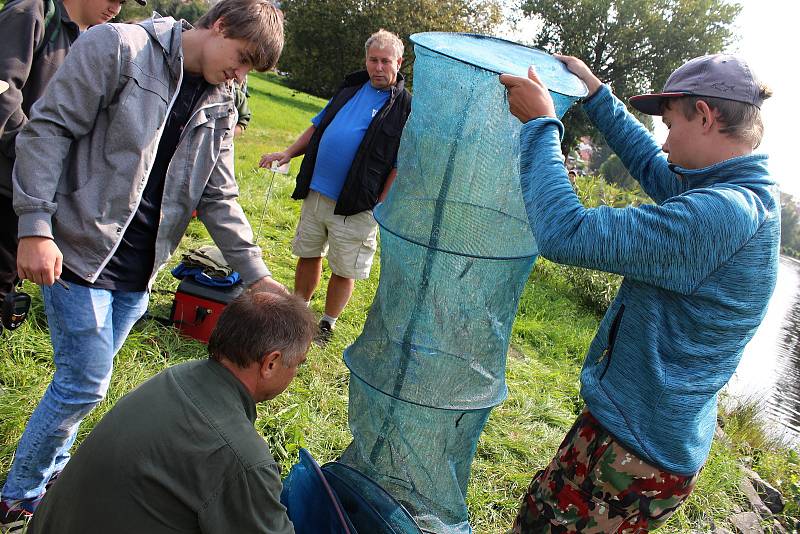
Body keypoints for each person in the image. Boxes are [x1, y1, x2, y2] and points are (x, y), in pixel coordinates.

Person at [1, 0, 285, 529]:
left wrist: (258, 276)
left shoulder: (221, 101)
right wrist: (35, 227)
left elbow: (218, 195)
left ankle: (51, 467)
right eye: (241, 58)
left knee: (79, 384)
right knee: (86, 382)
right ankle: (20, 494)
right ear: (219, 25)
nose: (240, 75)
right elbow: (47, 131)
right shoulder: (120, 47)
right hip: (78, 251)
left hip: (139, 271)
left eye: (249, 69)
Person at [500, 53, 778, 532]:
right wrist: (596, 95)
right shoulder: (738, 194)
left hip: (632, 452)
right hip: (637, 434)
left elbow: (565, 232)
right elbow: (655, 168)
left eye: (670, 124)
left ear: (706, 116)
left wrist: (543, 126)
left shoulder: (722, 214)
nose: (664, 140)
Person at [27, 288, 317, 533]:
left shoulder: (178, 376)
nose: (296, 372)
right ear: (271, 363)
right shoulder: (242, 459)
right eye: (298, 363)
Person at [259, 28, 412, 344]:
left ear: (399, 62)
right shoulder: (351, 89)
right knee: (308, 253)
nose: (379, 67)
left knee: (344, 269)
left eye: (386, 61)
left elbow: (400, 163)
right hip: (317, 191)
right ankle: (298, 312)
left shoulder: (405, 108)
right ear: (366, 60)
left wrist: (380, 203)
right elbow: (317, 126)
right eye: (373, 60)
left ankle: (326, 324)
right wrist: (287, 153)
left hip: (357, 204)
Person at [0, 0, 140, 305]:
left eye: (124, 2)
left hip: (33, 193)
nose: (117, 8)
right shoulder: (32, 13)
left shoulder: (94, 39)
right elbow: (1, 89)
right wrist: (31, 151)